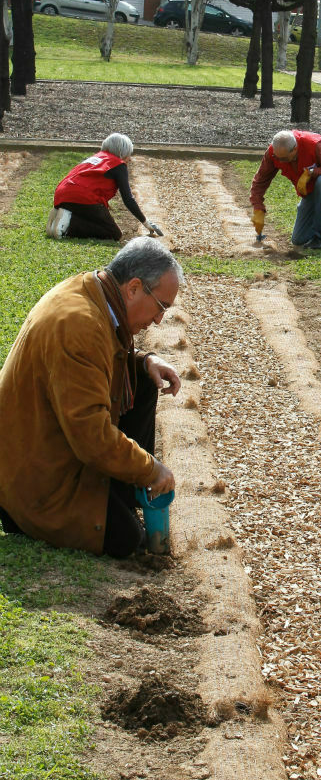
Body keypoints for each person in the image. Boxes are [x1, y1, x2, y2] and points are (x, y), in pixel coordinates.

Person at [0, 238, 182, 558]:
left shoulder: (94, 293)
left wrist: (143, 361)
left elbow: (100, 361)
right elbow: (91, 437)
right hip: (32, 481)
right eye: (161, 306)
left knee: (142, 380)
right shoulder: (79, 325)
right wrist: (151, 469)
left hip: (53, 444)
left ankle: (122, 494)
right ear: (134, 287)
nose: (158, 319)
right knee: (125, 539)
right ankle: (25, 516)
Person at [249, 129, 321, 249]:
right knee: (299, 239)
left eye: (284, 159)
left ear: (295, 149)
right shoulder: (273, 153)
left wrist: (313, 172)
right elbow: (260, 180)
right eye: (277, 157)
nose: (280, 161)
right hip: (310, 189)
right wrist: (258, 207)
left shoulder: (313, 145)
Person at [46, 133, 163, 241]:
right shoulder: (118, 164)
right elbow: (128, 199)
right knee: (113, 233)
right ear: (122, 152)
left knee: (94, 218)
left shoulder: (96, 157)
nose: (130, 159)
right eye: (128, 154)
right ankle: (67, 226)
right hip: (82, 197)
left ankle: (62, 216)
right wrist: (146, 222)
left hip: (62, 193)